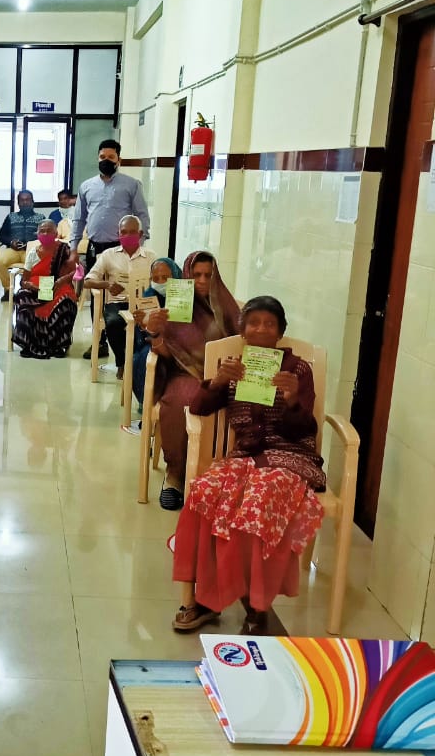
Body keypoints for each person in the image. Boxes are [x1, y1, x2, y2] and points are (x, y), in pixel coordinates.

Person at [171, 296, 326, 635]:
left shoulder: (297, 370)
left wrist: (292, 400)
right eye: (253, 323)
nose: (261, 329)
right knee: (202, 492)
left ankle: (257, 606)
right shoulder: (233, 365)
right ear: (242, 329)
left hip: (290, 457)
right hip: (244, 458)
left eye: (269, 324)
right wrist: (217, 382)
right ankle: (203, 599)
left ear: (280, 331)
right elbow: (198, 408)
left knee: (257, 503)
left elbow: (306, 429)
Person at [145, 251, 240, 510]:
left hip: (224, 376)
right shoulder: (175, 308)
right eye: (196, 275)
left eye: (208, 275)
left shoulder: (227, 306)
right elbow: (165, 352)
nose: (201, 280)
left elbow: (242, 340)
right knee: (181, 400)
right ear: (187, 275)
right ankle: (175, 474)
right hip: (184, 374)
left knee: (248, 404)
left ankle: (227, 477)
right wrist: (154, 330)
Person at [71, 140, 150, 363]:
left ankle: (127, 340)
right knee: (97, 294)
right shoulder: (86, 186)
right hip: (96, 248)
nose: (106, 161)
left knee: (121, 294)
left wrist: (138, 245)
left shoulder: (131, 185)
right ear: (98, 158)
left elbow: (142, 216)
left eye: (111, 158)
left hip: (121, 250)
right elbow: (79, 218)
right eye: (102, 157)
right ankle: (100, 341)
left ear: (119, 160)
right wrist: (74, 248)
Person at [81, 216, 156, 373]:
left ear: (140, 234)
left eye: (132, 232)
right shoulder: (108, 255)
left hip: (143, 302)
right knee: (114, 323)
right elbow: (87, 281)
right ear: (118, 234)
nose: (128, 236)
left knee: (152, 324)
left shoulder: (151, 257)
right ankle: (123, 363)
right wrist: (107, 284)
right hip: (117, 302)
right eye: (124, 232)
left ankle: (140, 361)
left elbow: (162, 282)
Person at [12, 220, 78, 359]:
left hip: (58, 286)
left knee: (65, 302)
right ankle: (28, 343)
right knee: (23, 297)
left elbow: (78, 271)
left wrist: (62, 280)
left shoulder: (64, 250)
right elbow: (25, 280)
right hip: (36, 288)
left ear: (56, 233)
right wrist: (31, 286)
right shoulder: (32, 253)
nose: (45, 233)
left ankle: (58, 345)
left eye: (49, 231)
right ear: (37, 233)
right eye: (42, 231)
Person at [129, 257, 183, 417]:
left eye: (165, 278)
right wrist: (143, 324)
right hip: (154, 343)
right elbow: (142, 337)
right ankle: (147, 403)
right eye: (155, 278)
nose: (160, 282)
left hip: (182, 345)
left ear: (176, 276)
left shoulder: (186, 297)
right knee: (143, 357)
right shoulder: (149, 295)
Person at [0, 190, 46, 302]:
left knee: (45, 263)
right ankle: (8, 290)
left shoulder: (41, 218)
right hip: (13, 250)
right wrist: (11, 242)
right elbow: (1, 235)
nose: (25, 202)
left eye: (27, 200)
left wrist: (34, 242)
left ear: (33, 202)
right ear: (18, 203)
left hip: (32, 251)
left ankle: (39, 291)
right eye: (22, 200)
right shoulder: (11, 217)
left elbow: (45, 236)